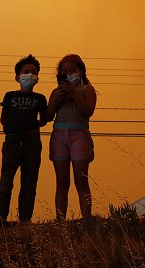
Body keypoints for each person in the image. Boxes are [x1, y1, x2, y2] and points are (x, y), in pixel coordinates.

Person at [0, 55, 50, 222]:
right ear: (18, 76)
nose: (30, 75)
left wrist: (34, 126)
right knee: (5, 182)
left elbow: (45, 118)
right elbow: (3, 118)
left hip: (32, 142)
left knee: (29, 183)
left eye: (34, 72)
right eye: (26, 72)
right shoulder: (9, 96)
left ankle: (24, 221)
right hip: (12, 141)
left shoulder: (40, 98)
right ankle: (0, 218)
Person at [48, 54, 97, 220]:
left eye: (73, 70)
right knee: (62, 182)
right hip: (59, 135)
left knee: (81, 180)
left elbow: (88, 111)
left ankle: (87, 219)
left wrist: (74, 94)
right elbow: (48, 115)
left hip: (79, 134)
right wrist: (57, 97)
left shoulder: (87, 89)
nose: (69, 74)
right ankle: (60, 220)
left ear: (81, 71)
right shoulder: (56, 92)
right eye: (65, 71)